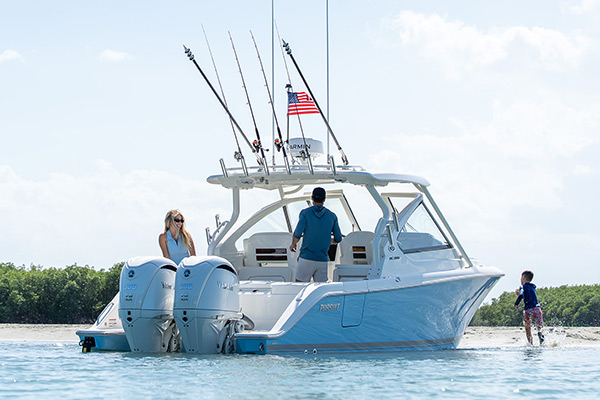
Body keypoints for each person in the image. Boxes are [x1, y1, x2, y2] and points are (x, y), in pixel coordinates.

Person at [290, 187, 342, 282]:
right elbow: (338, 238)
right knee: (320, 290)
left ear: (312, 198)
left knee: (300, 287)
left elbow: (297, 233)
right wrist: (331, 241)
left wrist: (293, 244)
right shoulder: (332, 216)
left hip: (306, 258)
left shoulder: (305, 213)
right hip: (322, 260)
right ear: (324, 199)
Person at [514, 270, 544, 345]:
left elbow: (521, 295)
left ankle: (531, 344)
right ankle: (540, 333)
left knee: (527, 327)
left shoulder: (522, 287)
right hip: (537, 308)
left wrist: (516, 304)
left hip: (528, 310)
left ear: (523, 277)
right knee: (540, 326)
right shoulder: (532, 287)